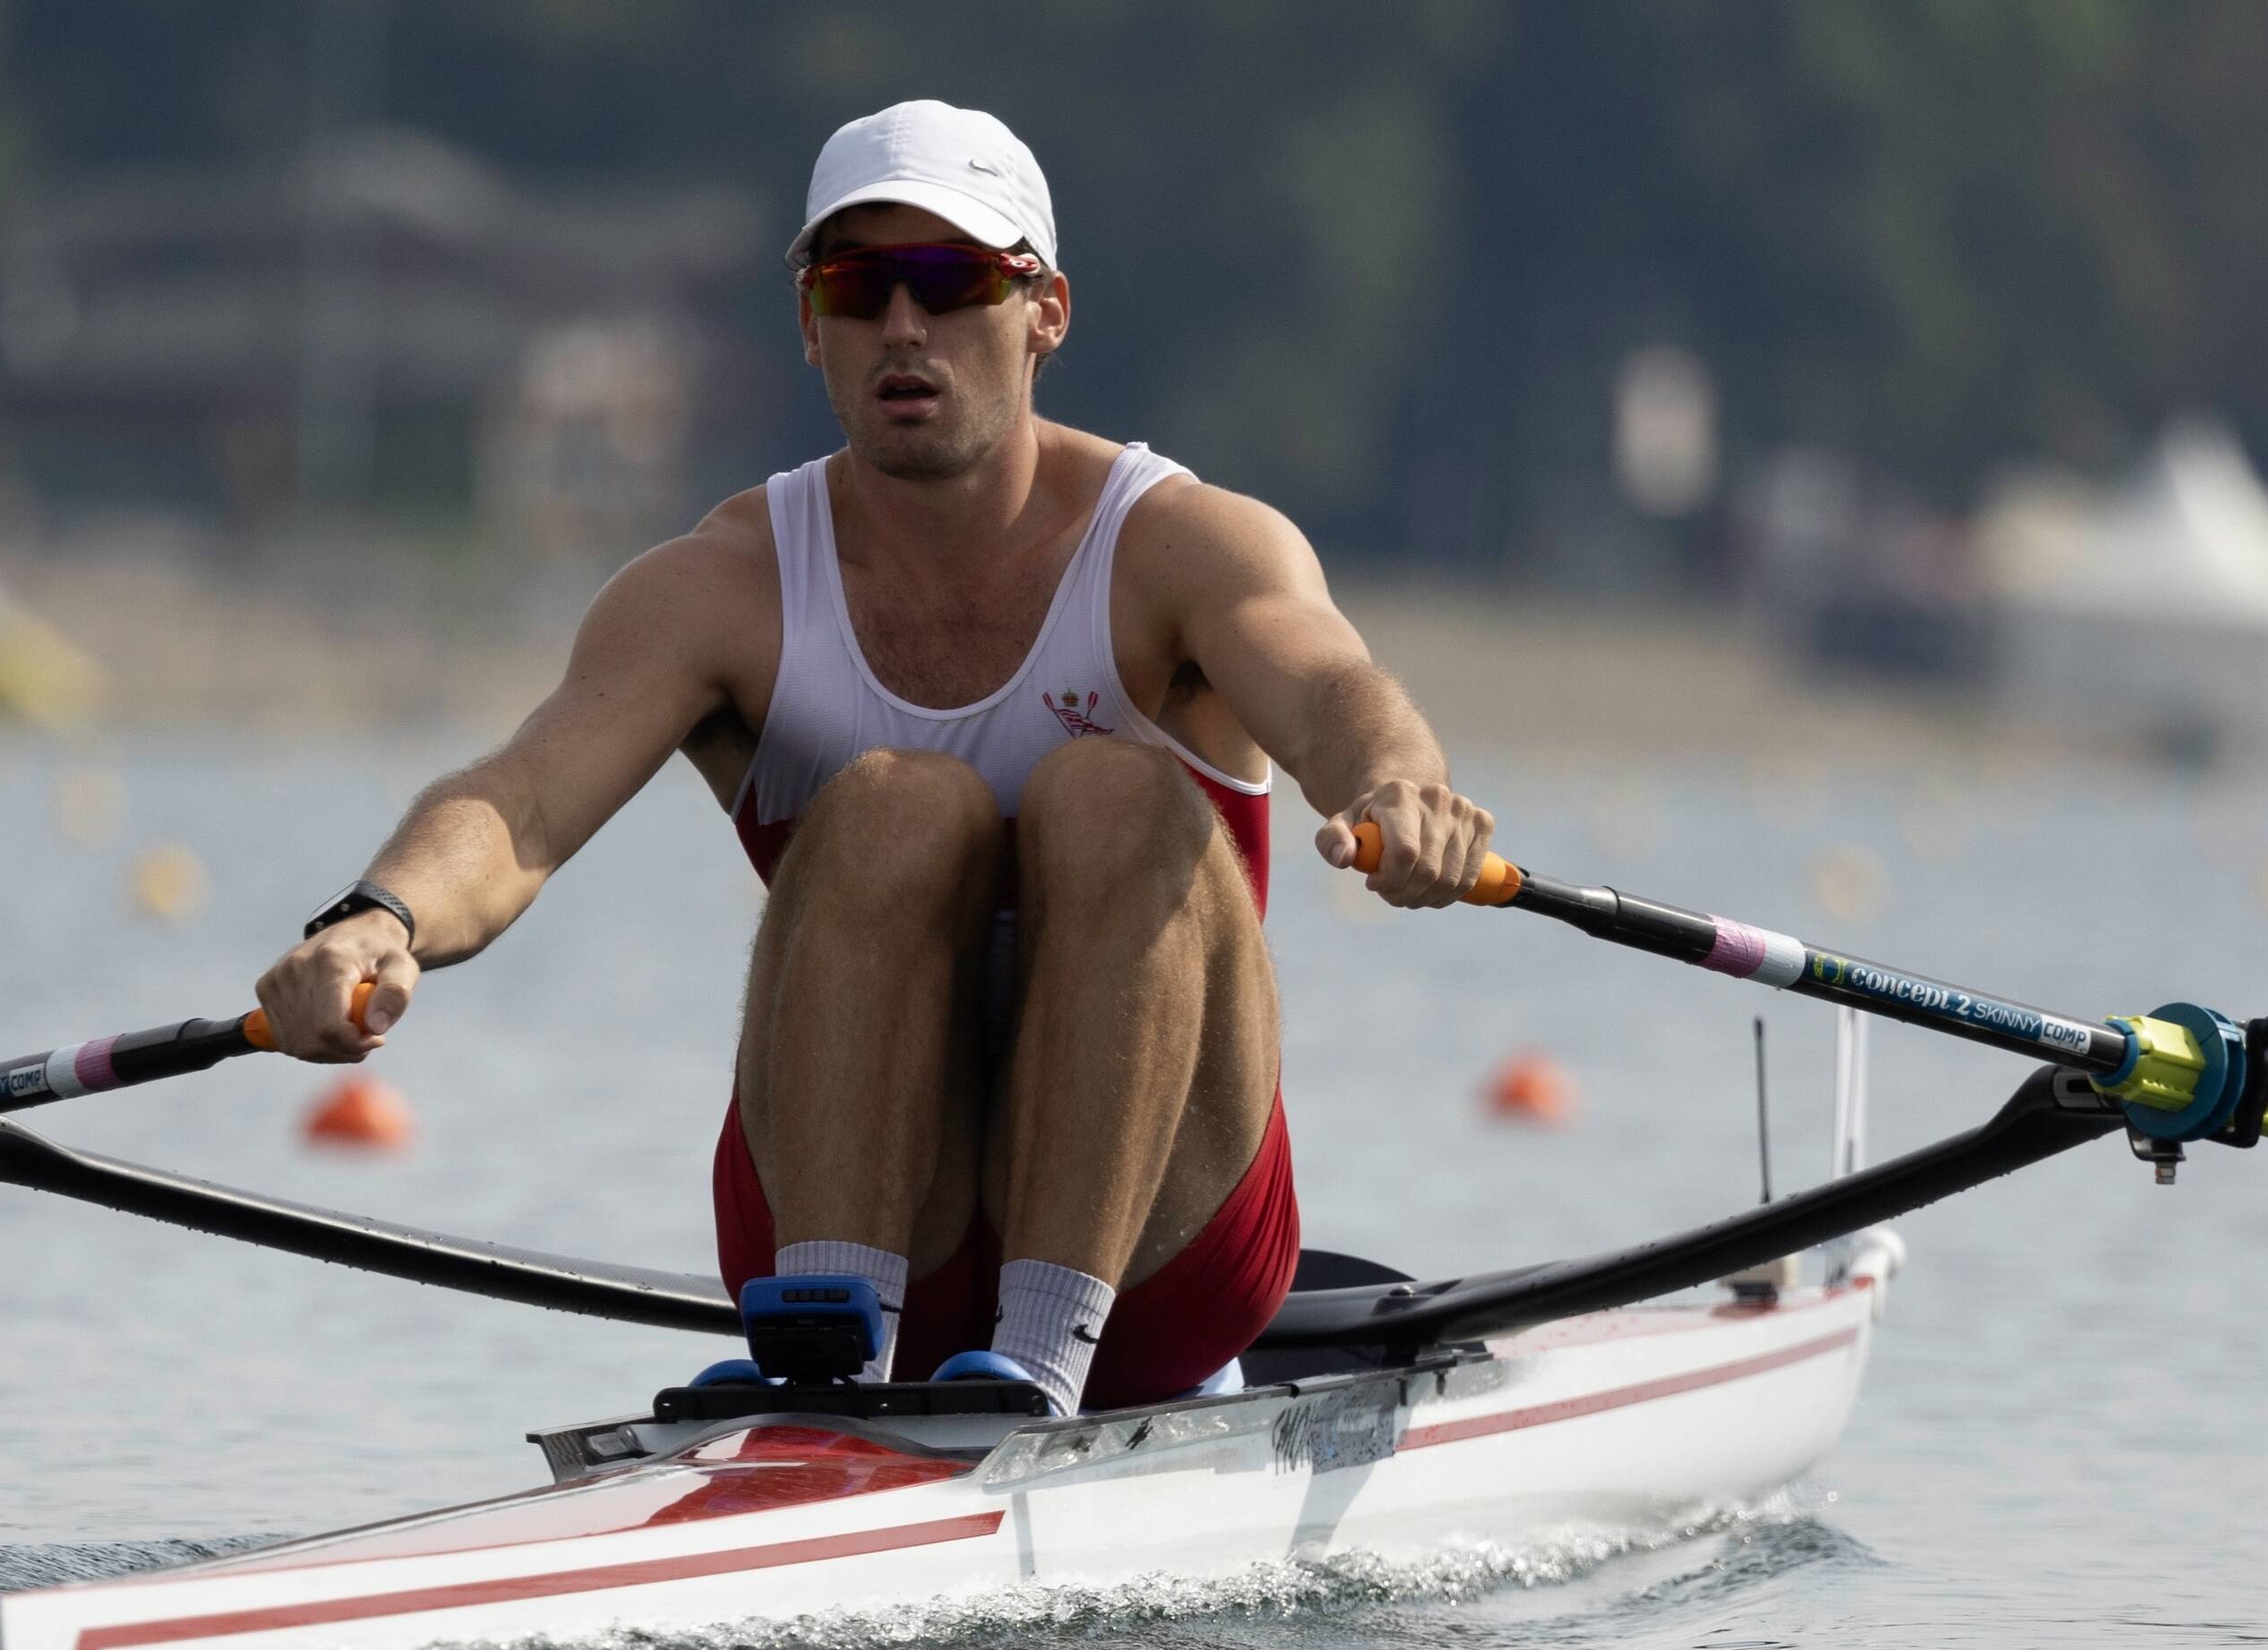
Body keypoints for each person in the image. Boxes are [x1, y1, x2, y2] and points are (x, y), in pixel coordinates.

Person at [253, 98, 1497, 1415]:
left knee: (1115, 788)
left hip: (1164, 1263)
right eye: (857, 285)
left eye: (953, 280)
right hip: (843, 1233)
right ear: (811, 324)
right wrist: (376, 917)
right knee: (896, 806)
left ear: (1046, 312)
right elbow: (518, 802)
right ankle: (837, 1363)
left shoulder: (1185, 549)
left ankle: (1041, 1358)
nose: (903, 326)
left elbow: (1333, 692)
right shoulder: (720, 585)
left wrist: (1396, 788)